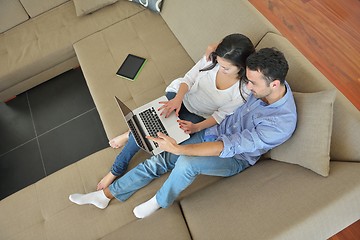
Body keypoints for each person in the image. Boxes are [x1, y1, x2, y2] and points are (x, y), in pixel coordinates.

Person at [69, 47, 297, 219]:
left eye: (253, 84)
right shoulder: (261, 87)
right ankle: (104, 196)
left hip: (236, 158)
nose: (247, 87)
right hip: (213, 134)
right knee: (160, 158)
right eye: (247, 81)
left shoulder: (280, 123)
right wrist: (213, 49)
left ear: (275, 84)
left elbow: (230, 146)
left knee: (186, 163)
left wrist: (180, 148)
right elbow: (233, 48)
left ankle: (159, 200)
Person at [97, 33, 255, 190]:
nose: (220, 69)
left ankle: (130, 132)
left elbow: (220, 115)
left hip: (197, 117)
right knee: (146, 128)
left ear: (242, 67)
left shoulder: (243, 90)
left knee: (153, 134)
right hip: (180, 96)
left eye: (226, 68)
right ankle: (116, 169)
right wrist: (177, 99)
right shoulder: (211, 60)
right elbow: (188, 79)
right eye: (219, 63)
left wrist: (197, 128)